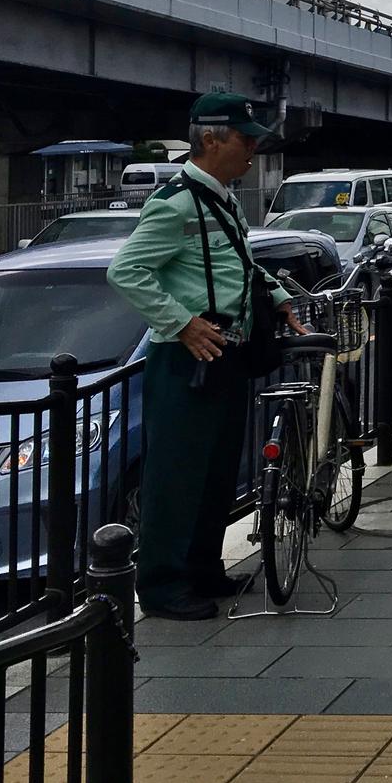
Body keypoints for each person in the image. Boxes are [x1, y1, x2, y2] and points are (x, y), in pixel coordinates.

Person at [107, 92, 302, 620]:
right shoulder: (174, 202)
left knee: (217, 469)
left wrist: (280, 301)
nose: (253, 149)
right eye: (245, 138)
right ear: (210, 139)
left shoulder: (224, 200)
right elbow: (125, 271)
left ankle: (203, 568)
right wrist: (181, 323)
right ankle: (164, 584)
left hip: (225, 354)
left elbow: (243, 264)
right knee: (177, 473)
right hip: (186, 360)